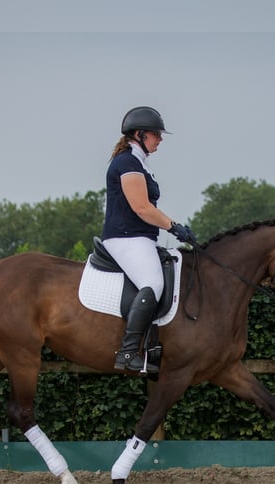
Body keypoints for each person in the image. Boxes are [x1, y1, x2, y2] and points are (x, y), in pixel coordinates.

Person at [102, 106, 196, 372]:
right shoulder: (127, 163)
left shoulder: (139, 162)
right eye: (156, 134)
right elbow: (141, 208)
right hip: (125, 238)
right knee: (153, 282)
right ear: (140, 134)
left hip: (140, 238)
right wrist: (173, 227)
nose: (160, 139)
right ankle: (129, 352)